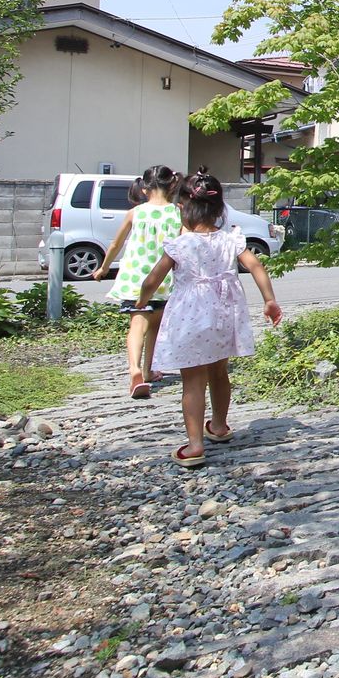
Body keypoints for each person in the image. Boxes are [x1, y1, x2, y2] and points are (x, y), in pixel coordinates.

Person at [134, 167, 281, 467]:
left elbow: (152, 279)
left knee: (193, 380)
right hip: (224, 315)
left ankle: (194, 446)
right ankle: (218, 426)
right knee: (219, 372)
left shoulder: (180, 244)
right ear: (218, 209)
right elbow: (257, 267)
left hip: (191, 317)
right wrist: (270, 301)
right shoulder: (231, 240)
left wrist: (141, 301)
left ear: (183, 207)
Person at [92, 165, 181, 399]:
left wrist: (103, 268)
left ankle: (134, 370)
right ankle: (149, 370)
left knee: (137, 326)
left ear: (144, 189)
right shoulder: (178, 212)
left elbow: (116, 244)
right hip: (165, 279)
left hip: (135, 279)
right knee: (155, 327)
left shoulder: (136, 213)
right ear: (172, 185)